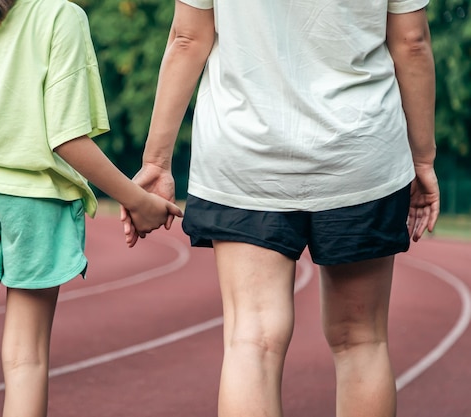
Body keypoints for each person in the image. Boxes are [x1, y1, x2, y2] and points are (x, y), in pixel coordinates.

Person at [122, 1, 440, 416]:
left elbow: (187, 38)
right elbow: (412, 42)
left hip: (245, 154)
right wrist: (422, 159)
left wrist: (157, 162)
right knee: (361, 341)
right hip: (359, 153)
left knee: (251, 341)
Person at [0, 0, 182, 415]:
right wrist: (138, 200)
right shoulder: (62, 15)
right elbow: (66, 139)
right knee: (25, 359)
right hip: (36, 203)